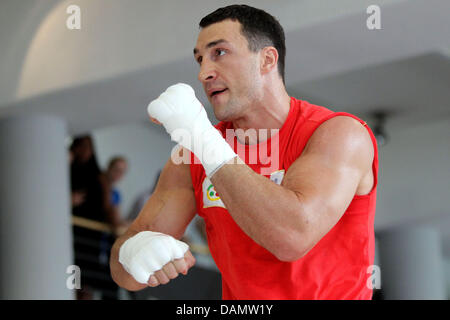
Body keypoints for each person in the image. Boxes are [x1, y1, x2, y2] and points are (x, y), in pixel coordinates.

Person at [110, 5, 378, 300]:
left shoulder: (337, 134)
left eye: (219, 53)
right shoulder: (190, 158)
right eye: (199, 59)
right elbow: (124, 270)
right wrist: (134, 256)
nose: (203, 73)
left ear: (266, 60)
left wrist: (201, 137)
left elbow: (292, 237)